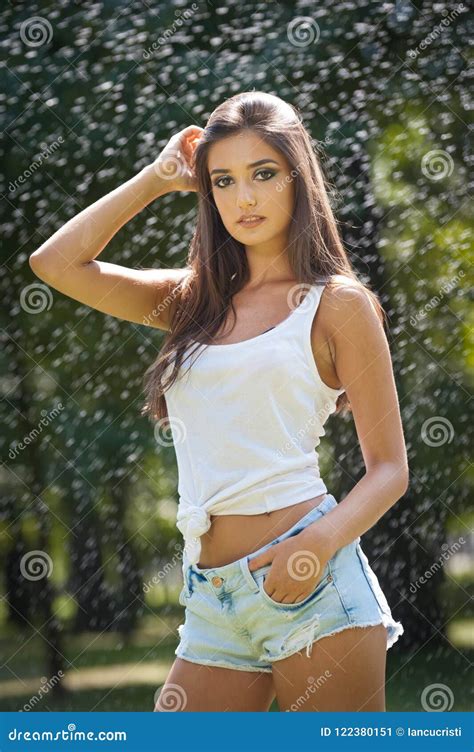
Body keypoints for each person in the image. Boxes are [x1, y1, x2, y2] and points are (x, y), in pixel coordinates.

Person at [29, 91, 408, 712]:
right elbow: (56, 263)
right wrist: (155, 179)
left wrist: (316, 545)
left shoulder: (337, 303)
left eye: (263, 174)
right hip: (213, 598)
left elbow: (390, 469)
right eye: (223, 181)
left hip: (310, 581)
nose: (245, 198)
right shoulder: (193, 303)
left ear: (296, 178)